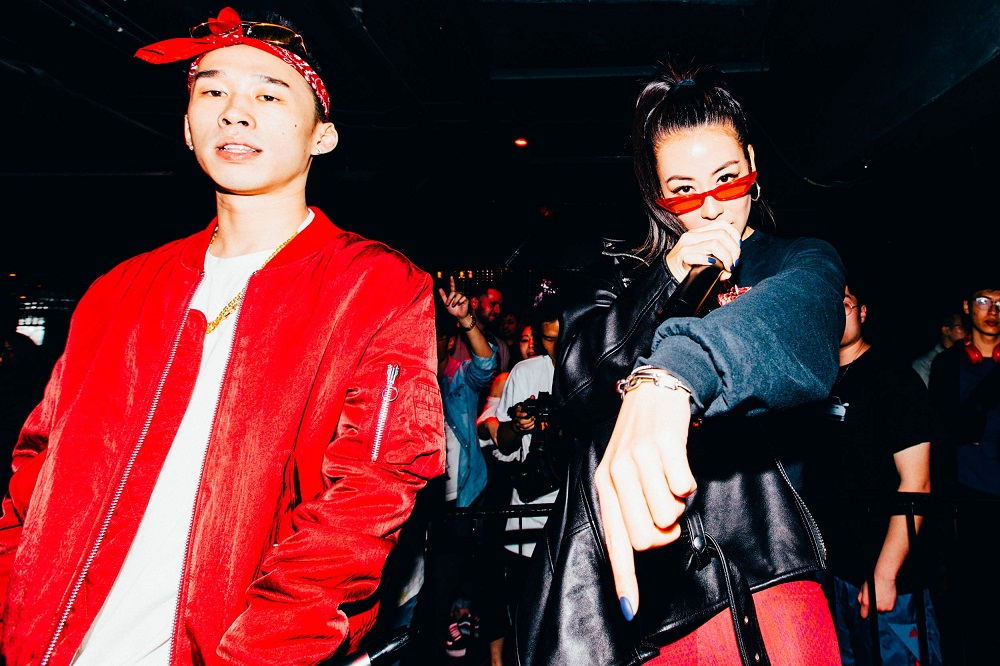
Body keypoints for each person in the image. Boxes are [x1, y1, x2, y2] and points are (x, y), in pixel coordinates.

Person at [0, 8, 444, 665]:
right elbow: (34, 472)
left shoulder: (375, 285)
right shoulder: (119, 290)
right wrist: (14, 606)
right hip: (53, 644)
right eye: (213, 92)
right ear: (187, 127)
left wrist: (267, 649)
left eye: (269, 95)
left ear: (322, 136)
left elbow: (370, 491)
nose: (234, 113)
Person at [516, 61, 846, 665]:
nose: (712, 206)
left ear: (752, 165)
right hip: (648, 592)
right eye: (685, 188)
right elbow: (575, 386)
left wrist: (674, 375)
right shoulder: (623, 281)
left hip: (768, 572)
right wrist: (668, 279)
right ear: (658, 196)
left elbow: (804, 331)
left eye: (727, 178)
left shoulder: (798, 259)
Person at [803, 283, 942, 665]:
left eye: (845, 303)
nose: (834, 311)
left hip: (889, 579)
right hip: (834, 576)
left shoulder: (894, 379)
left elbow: (917, 482)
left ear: (862, 312)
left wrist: (885, 574)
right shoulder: (815, 382)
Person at [927, 281, 1000, 665]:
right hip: (969, 500)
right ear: (968, 308)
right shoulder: (948, 365)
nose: (994, 311)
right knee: (973, 602)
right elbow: (945, 430)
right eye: (984, 301)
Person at [452, 284, 510, 374]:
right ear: (474, 303)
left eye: (499, 306)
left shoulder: (501, 346)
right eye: (493, 304)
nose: (498, 311)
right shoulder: (454, 342)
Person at [912, 312, 966, 387]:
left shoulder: (964, 358)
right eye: (961, 326)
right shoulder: (924, 363)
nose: (966, 330)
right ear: (946, 330)